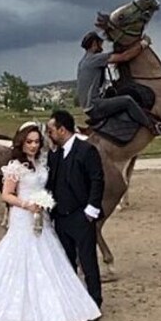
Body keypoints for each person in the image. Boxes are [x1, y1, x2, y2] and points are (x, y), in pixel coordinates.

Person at [0, 124, 101, 321]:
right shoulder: (14, 166)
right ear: (21, 143)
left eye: (37, 142)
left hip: (42, 217)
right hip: (23, 217)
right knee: (20, 257)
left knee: (49, 258)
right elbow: (6, 195)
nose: (33, 145)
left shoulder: (41, 163)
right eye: (29, 142)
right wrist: (27, 205)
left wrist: (44, 204)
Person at [45, 110, 108, 307]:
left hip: (81, 216)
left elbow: (97, 180)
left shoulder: (86, 150)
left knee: (88, 261)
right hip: (61, 218)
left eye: (51, 131)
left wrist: (91, 210)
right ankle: (73, 300)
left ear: (62, 130)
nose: (49, 135)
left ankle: (95, 301)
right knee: (67, 261)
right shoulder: (55, 156)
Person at [78, 30, 161, 136]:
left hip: (89, 106)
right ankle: (152, 127)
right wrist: (143, 44)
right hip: (95, 106)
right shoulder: (95, 58)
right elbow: (125, 57)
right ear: (94, 44)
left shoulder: (83, 62)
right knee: (127, 100)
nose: (102, 47)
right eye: (100, 43)